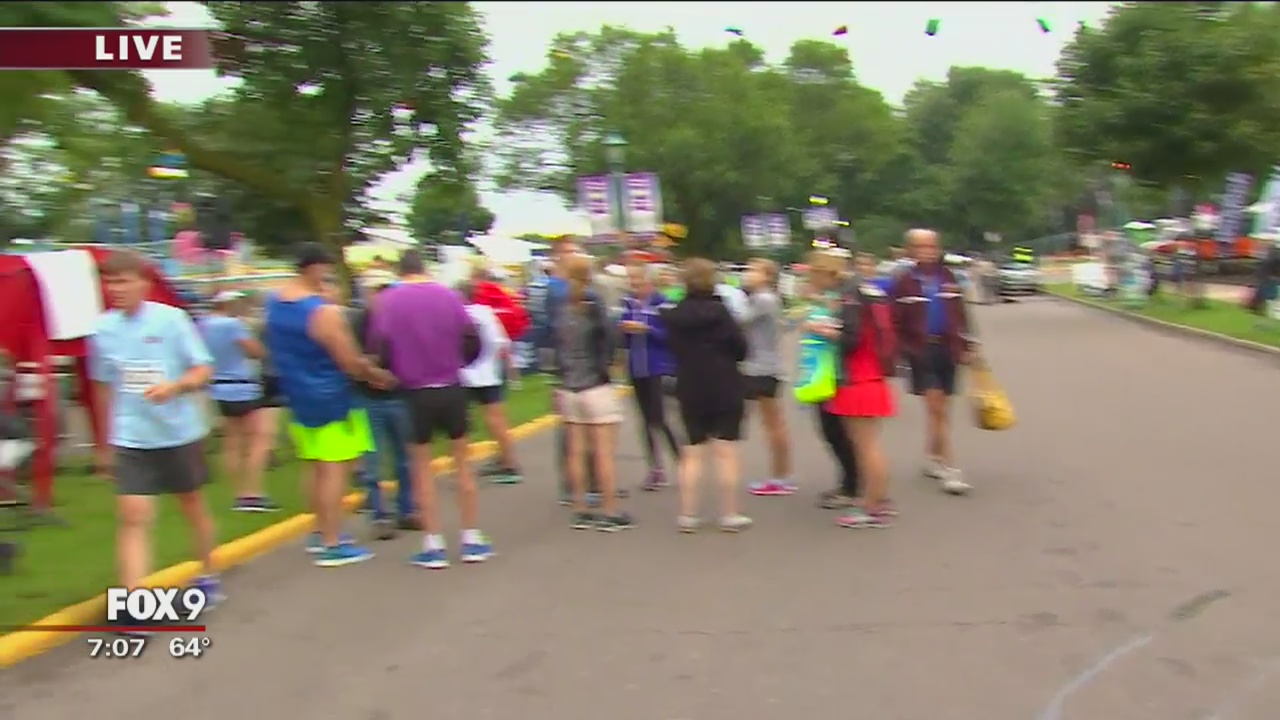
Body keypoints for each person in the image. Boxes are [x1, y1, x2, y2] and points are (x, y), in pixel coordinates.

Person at [89, 249, 221, 631]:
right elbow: (101, 385)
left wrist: (176, 386)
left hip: (177, 432)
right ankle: (133, 604)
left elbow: (203, 369)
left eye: (124, 281)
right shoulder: (102, 330)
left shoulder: (172, 320)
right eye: (110, 282)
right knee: (133, 515)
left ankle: (208, 572)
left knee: (192, 506)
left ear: (143, 284)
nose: (116, 289)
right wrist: (102, 441)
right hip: (131, 436)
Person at [265, 243, 392, 567]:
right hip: (332, 396)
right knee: (337, 467)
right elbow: (349, 360)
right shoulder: (322, 311)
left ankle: (320, 532)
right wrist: (377, 375)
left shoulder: (276, 304)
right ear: (316, 268)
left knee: (314, 465)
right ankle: (333, 542)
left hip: (298, 394)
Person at [370, 249, 493, 568]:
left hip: (414, 392)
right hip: (451, 386)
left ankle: (434, 543)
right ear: (423, 268)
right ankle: (471, 538)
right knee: (462, 464)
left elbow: (380, 349)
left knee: (421, 469)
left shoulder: (390, 302)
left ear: (401, 272)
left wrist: (394, 372)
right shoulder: (449, 295)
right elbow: (473, 340)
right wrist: (458, 364)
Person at [663, 258, 751, 533]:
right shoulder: (720, 312)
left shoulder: (674, 315)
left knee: (693, 452)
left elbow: (672, 348)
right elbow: (741, 348)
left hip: (690, 383)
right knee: (726, 451)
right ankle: (729, 513)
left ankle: (688, 514)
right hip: (724, 382)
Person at [890, 229, 974, 495]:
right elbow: (893, 320)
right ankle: (951, 469)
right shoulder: (904, 282)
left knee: (940, 411)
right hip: (921, 351)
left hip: (948, 349)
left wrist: (969, 344)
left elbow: (961, 314)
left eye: (932, 245)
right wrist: (902, 350)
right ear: (911, 251)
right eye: (921, 246)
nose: (928, 250)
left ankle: (932, 457)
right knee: (936, 409)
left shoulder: (948, 278)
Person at [554, 253, 631, 530]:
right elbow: (610, 339)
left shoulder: (561, 306)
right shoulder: (592, 303)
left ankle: (580, 507)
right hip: (595, 384)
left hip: (568, 384)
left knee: (575, 450)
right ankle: (610, 510)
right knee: (603, 451)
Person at [828, 265, 898, 527]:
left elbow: (851, 339)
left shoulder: (852, 299)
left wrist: (829, 331)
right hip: (873, 374)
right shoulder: (875, 297)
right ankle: (878, 500)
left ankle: (872, 508)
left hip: (857, 378)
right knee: (870, 447)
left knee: (866, 449)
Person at [347, 275, 415, 540]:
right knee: (371, 462)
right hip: (366, 398)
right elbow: (351, 360)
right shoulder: (357, 323)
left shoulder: (402, 322)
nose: (383, 297)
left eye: (387, 291)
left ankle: (407, 510)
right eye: (377, 291)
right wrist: (374, 373)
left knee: (405, 460)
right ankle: (379, 515)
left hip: (400, 396)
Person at [200, 290, 274, 511]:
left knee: (232, 441)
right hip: (242, 385)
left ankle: (238, 493)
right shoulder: (232, 325)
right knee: (259, 439)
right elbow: (254, 351)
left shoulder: (203, 325)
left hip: (218, 386)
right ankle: (252, 492)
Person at [799, 252, 861, 509]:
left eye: (815, 274)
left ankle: (852, 486)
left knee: (838, 432)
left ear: (828, 273)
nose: (812, 279)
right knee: (831, 431)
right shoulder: (837, 294)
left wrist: (821, 329)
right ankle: (850, 482)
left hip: (839, 373)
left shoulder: (849, 296)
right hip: (824, 370)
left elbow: (851, 337)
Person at [619, 261, 679, 491]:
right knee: (644, 420)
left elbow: (672, 335)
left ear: (650, 281)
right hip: (636, 368)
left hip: (658, 367)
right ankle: (655, 469)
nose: (634, 285)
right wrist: (623, 331)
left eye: (638, 280)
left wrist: (649, 330)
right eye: (631, 280)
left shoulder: (663, 303)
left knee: (659, 418)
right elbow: (623, 336)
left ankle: (682, 461)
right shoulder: (628, 303)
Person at [459, 277, 523, 484]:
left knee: (462, 424)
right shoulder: (486, 312)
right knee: (497, 420)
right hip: (488, 373)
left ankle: (464, 469)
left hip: (462, 375)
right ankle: (509, 463)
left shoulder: (455, 314)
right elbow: (501, 341)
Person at [740, 258, 794, 497]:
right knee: (773, 423)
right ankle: (781, 476)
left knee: (773, 424)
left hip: (762, 367)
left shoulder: (763, 299)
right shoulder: (766, 298)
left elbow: (739, 322)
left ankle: (779, 477)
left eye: (753, 270)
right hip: (765, 365)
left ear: (767, 276)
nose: (747, 274)